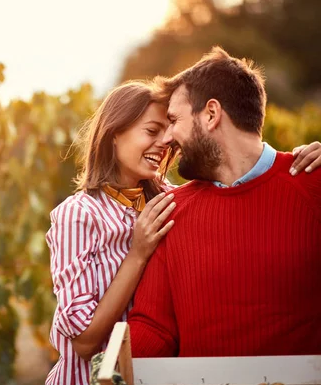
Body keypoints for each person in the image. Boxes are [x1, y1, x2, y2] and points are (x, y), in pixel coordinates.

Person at [45, 77, 321, 385]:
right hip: (88, 381)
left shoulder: (167, 200)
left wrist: (306, 157)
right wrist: (137, 254)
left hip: (147, 378)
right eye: (152, 131)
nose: (166, 141)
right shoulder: (79, 213)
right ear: (114, 134)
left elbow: (239, 177)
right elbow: (83, 343)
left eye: (170, 129)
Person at [127, 47, 321, 358]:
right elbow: (154, 327)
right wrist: (112, 369)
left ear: (211, 114)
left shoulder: (313, 185)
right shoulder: (171, 210)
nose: (167, 139)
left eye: (174, 120)